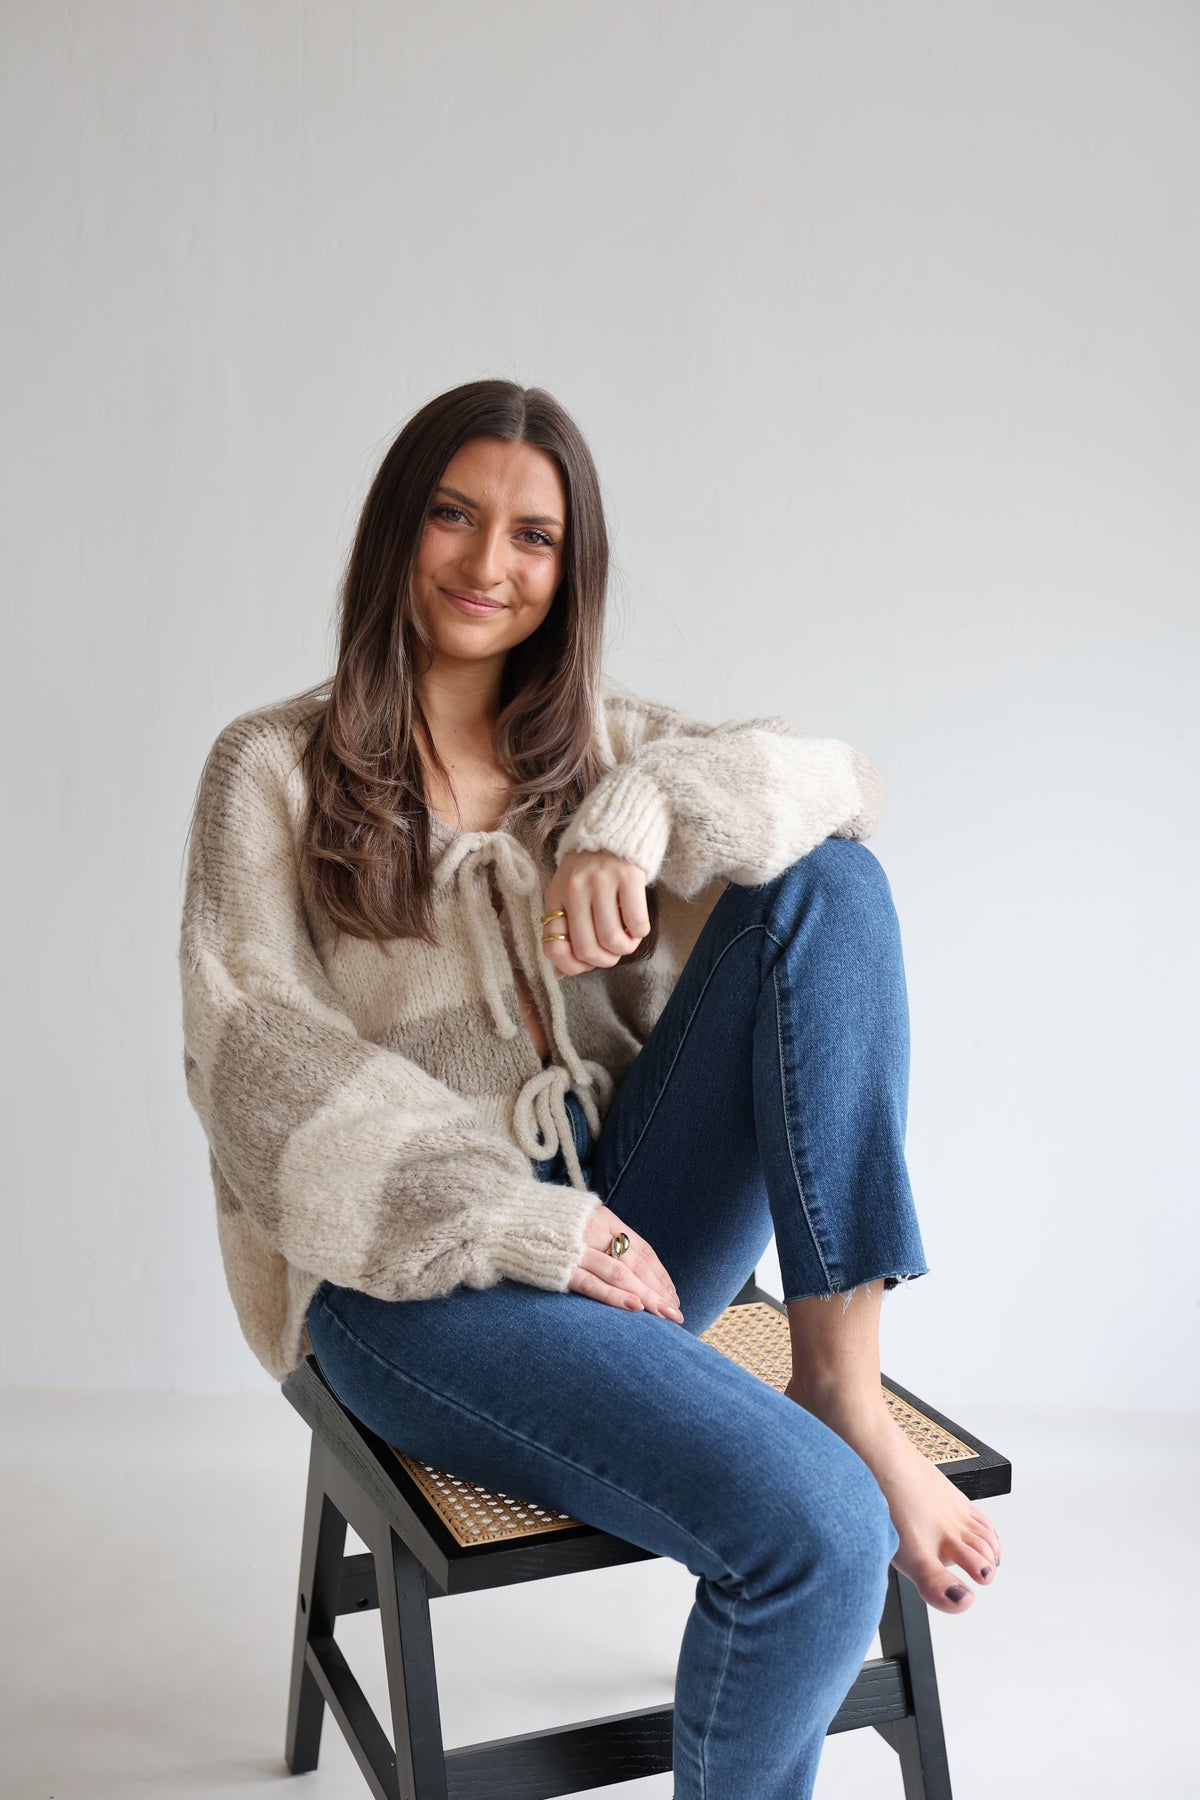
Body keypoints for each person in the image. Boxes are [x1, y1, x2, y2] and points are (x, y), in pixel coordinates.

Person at [179, 377, 1000, 1799]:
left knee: (827, 885)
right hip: (411, 1279)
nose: (487, 564)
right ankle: (825, 1472)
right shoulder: (273, 771)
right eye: (453, 515)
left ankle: (841, 1385)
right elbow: (256, 1064)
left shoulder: (604, 749)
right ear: (397, 527)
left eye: (533, 536)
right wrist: (521, 1222)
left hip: (633, 1232)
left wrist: (640, 815)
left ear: (571, 569)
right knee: (820, 1533)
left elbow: (840, 780)